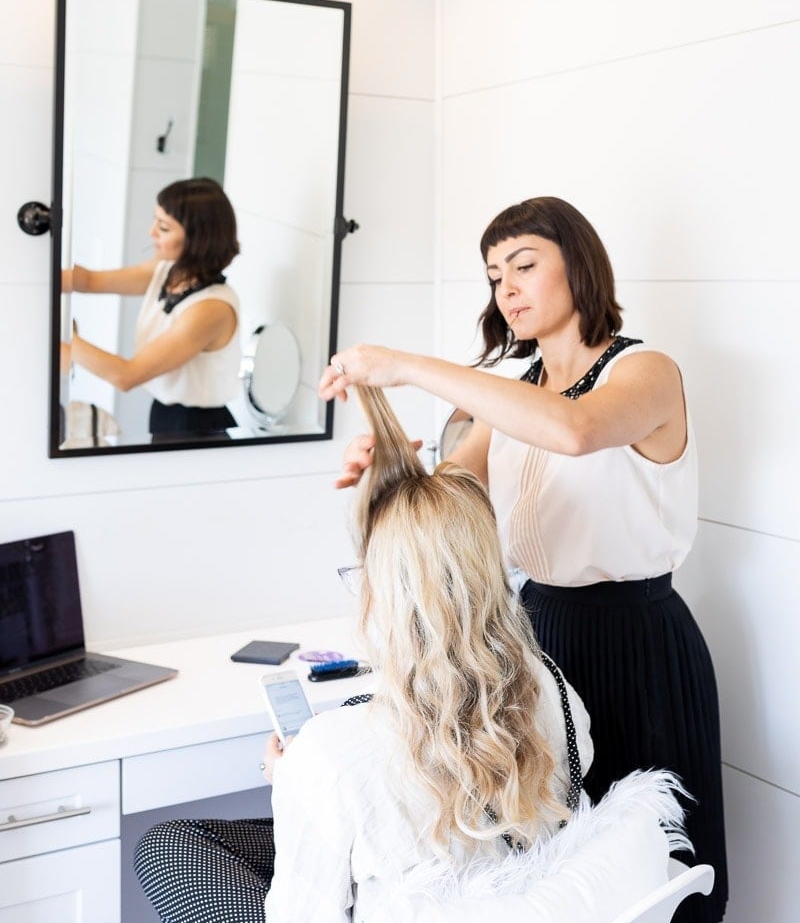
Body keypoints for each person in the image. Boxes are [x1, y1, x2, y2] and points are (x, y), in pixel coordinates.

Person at [318, 196, 727, 923]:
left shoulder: (647, 373)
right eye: (493, 274)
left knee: (655, 864)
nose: (505, 287)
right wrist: (387, 467)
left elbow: (576, 431)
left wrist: (406, 367)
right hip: (531, 638)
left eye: (524, 265)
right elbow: (453, 497)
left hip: (637, 642)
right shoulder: (514, 395)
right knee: (555, 870)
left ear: (582, 268)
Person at [133, 383, 593, 922]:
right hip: (506, 895)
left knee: (167, 847)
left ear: (384, 594)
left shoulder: (330, 757)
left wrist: (296, 787)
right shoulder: (556, 691)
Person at [62, 177, 241, 440]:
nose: (151, 232)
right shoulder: (167, 271)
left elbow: (127, 376)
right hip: (165, 416)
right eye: (155, 221)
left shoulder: (210, 308)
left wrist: (64, 339)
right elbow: (89, 280)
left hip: (197, 429)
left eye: (164, 227)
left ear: (197, 238)